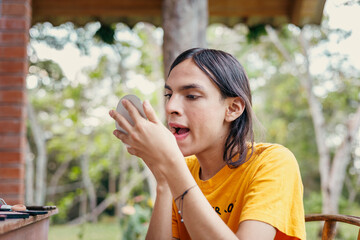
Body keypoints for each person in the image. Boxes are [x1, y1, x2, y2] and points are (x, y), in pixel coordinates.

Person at [109, 48, 306, 240]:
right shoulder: (182, 168)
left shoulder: (273, 162)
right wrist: (163, 182)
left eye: (192, 96)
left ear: (233, 108)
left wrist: (172, 167)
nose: (171, 107)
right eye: (169, 95)